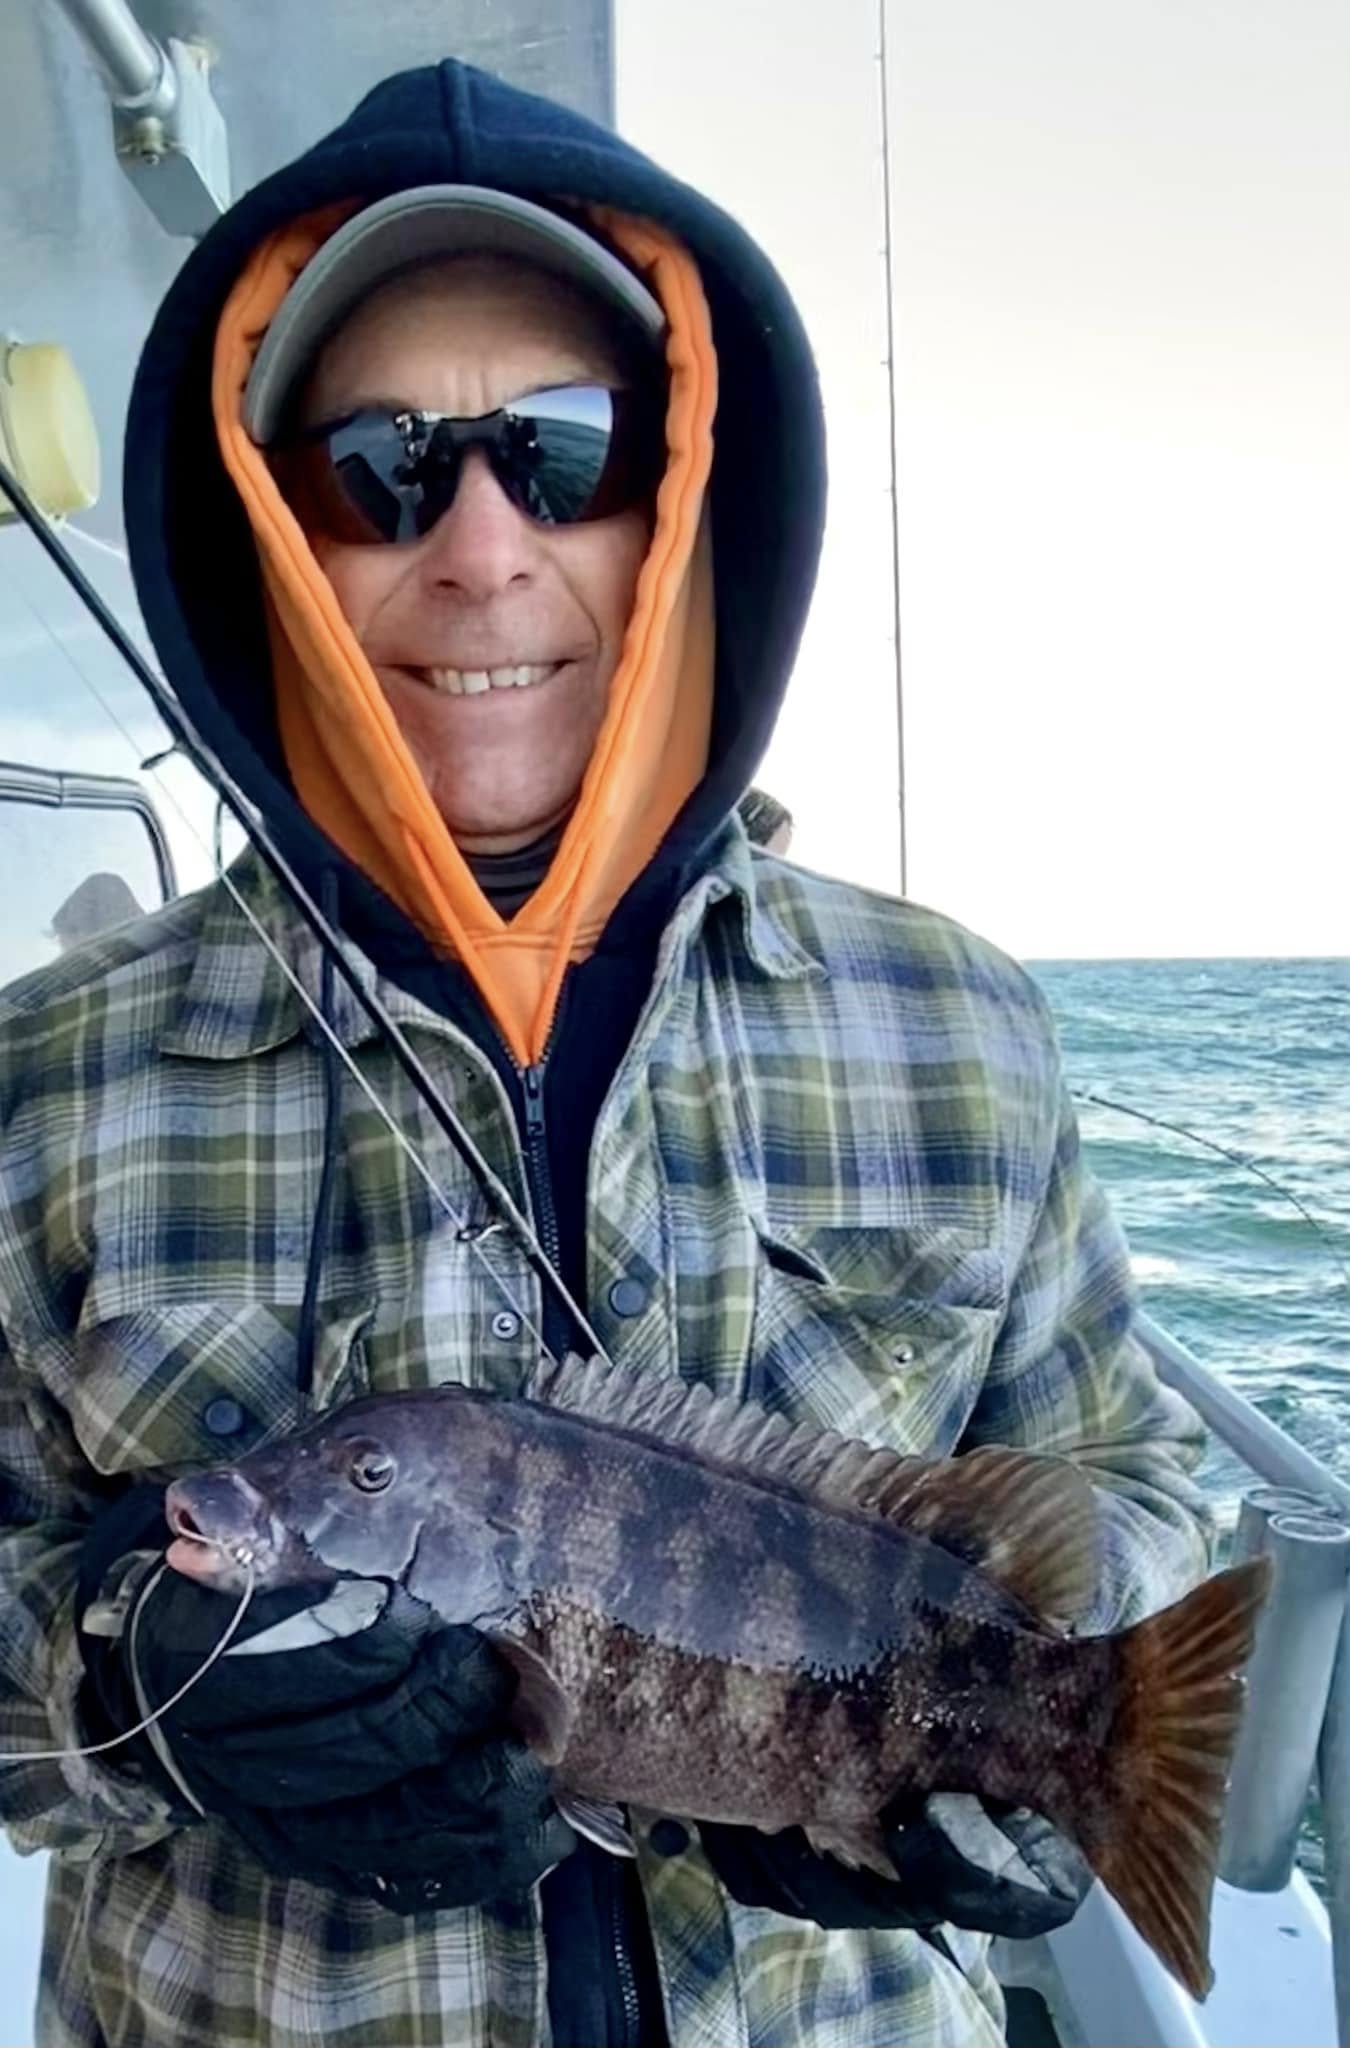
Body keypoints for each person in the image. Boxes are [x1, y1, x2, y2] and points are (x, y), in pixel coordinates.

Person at [0, 56, 1213, 2048]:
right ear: (273, 528)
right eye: (378, 466)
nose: (481, 549)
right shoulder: (42, 1078)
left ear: (682, 501)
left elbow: (1122, 1472)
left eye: (568, 451)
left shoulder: (961, 1024)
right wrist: (117, 1663)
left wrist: (1024, 1708)